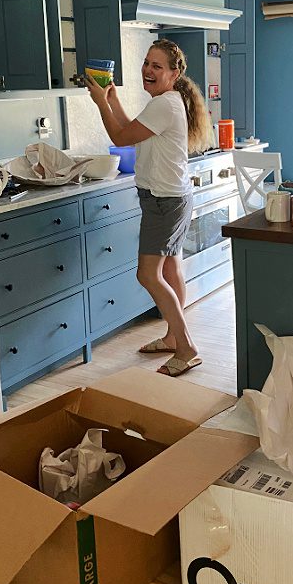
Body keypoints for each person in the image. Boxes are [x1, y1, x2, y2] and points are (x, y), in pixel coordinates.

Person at [85, 39, 214, 377]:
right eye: (146, 63)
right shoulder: (165, 102)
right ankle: (174, 338)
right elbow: (135, 133)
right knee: (171, 271)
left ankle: (186, 348)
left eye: (157, 66)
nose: (147, 70)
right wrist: (112, 100)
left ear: (173, 74)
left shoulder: (165, 104)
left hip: (163, 201)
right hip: (172, 198)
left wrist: (100, 104)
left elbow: (120, 137)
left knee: (148, 274)